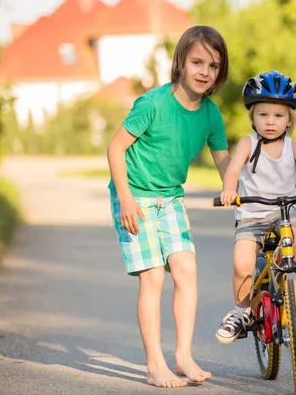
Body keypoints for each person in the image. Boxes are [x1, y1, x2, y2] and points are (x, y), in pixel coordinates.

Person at [107, 25, 230, 387]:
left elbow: (225, 162)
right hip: (135, 195)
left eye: (213, 65)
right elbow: (115, 149)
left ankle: (183, 357)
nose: (204, 71)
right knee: (154, 278)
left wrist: (235, 189)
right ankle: (154, 365)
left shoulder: (211, 114)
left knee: (186, 269)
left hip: (171, 197)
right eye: (197, 62)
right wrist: (126, 199)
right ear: (180, 62)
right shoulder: (153, 104)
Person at [215, 70, 296, 344]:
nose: (270, 122)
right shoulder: (248, 143)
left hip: (284, 211)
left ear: (289, 120)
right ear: (253, 117)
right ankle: (241, 312)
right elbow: (234, 168)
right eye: (263, 115)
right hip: (252, 214)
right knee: (242, 263)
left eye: (278, 116)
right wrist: (229, 189)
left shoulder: (293, 147)